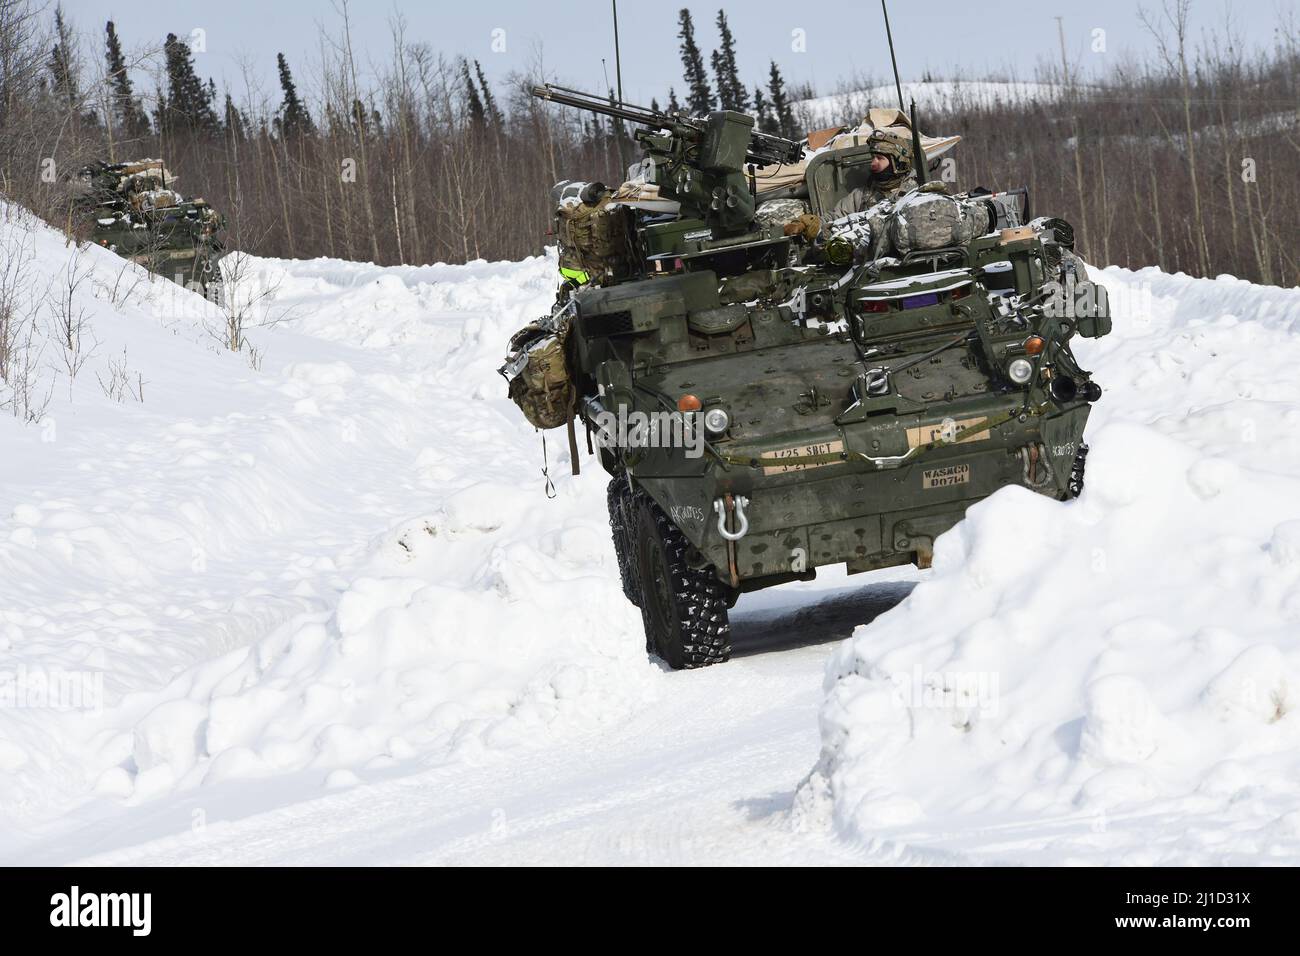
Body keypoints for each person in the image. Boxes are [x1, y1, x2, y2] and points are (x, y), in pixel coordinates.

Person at [827, 128, 918, 219]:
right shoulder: (862, 195)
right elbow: (834, 216)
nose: (873, 163)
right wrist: (816, 224)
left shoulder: (918, 189)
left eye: (879, 158)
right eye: (873, 158)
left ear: (898, 163)